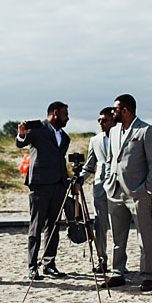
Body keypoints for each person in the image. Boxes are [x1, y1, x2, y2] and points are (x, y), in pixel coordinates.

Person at [104, 94, 152, 291]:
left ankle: (147, 275)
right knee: (117, 235)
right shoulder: (113, 132)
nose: (112, 112)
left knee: (144, 235)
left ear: (125, 110)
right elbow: (110, 159)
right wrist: (108, 181)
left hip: (138, 192)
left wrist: (147, 188)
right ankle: (117, 272)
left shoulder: (146, 130)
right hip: (114, 190)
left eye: (115, 109)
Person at [16, 102, 71, 281]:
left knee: (54, 227)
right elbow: (21, 143)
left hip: (59, 185)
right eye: (65, 114)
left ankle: (49, 264)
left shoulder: (66, 137)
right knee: (36, 227)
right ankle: (32, 266)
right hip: (39, 185)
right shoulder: (38, 129)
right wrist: (21, 134)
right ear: (55, 113)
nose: (68, 118)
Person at [78, 108, 116, 273]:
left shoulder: (122, 137)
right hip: (99, 186)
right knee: (100, 225)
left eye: (105, 120)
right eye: (99, 120)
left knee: (117, 226)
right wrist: (80, 178)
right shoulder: (95, 140)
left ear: (114, 121)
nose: (101, 123)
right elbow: (89, 165)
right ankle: (102, 260)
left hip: (118, 186)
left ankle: (120, 263)